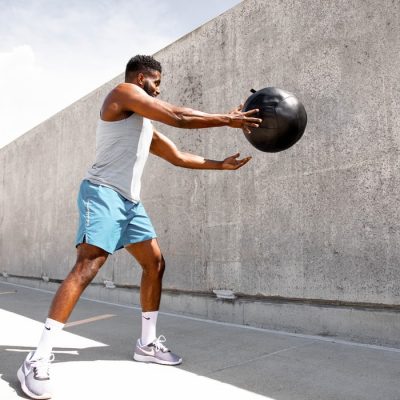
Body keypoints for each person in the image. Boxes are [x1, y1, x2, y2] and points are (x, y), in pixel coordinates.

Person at [17, 54, 261, 399]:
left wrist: (219, 165)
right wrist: (227, 119)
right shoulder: (122, 93)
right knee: (89, 265)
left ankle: (146, 344)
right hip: (102, 193)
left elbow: (177, 156)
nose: (159, 90)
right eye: (157, 83)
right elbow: (178, 116)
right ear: (142, 77)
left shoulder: (144, 123)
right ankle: (37, 357)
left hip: (130, 203)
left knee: (154, 263)